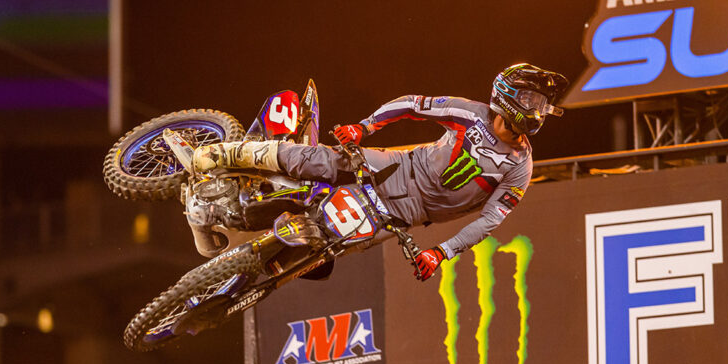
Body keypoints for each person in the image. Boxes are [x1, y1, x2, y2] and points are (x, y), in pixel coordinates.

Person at [192, 63, 568, 280]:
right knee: (318, 161)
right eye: (532, 99)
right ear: (508, 94)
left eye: (543, 103)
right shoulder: (470, 112)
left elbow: (488, 222)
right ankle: (225, 152)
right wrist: (364, 127)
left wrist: (441, 252)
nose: (538, 108)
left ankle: (232, 257)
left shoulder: (521, 166)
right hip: (392, 168)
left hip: (403, 216)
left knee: (316, 257)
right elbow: (412, 104)